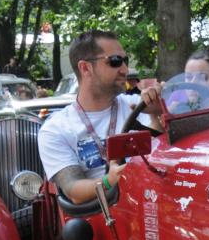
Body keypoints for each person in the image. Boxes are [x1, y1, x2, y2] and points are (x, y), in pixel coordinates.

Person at [37, 29, 164, 204]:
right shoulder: (55, 128)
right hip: (102, 222)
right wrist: (108, 181)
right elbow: (73, 190)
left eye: (124, 61)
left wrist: (164, 108)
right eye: (115, 61)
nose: (125, 70)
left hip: (151, 206)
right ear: (85, 68)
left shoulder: (140, 104)